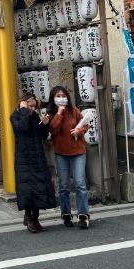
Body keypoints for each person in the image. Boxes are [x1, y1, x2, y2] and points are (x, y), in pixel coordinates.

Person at [10, 93, 56, 233]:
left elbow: (42, 136)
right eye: (30, 106)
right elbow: (22, 128)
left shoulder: (35, 116)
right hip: (24, 158)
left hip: (37, 157)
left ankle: (35, 218)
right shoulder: (16, 116)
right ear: (22, 103)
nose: (32, 109)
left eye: (34, 106)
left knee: (39, 188)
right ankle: (28, 217)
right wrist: (24, 111)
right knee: (27, 189)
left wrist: (45, 125)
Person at [48, 86, 90, 229]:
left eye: (63, 95)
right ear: (53, 98)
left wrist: (79, 130)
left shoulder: (74, 110)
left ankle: (83, 216)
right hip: (61, 153)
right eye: (58, 95)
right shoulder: (50, 114)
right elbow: (53, 129)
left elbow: (85, 124)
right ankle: (66, 214)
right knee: (64, 186)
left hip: (78, 151)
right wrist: (59, 112)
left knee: (80, 184)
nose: (61, 98)